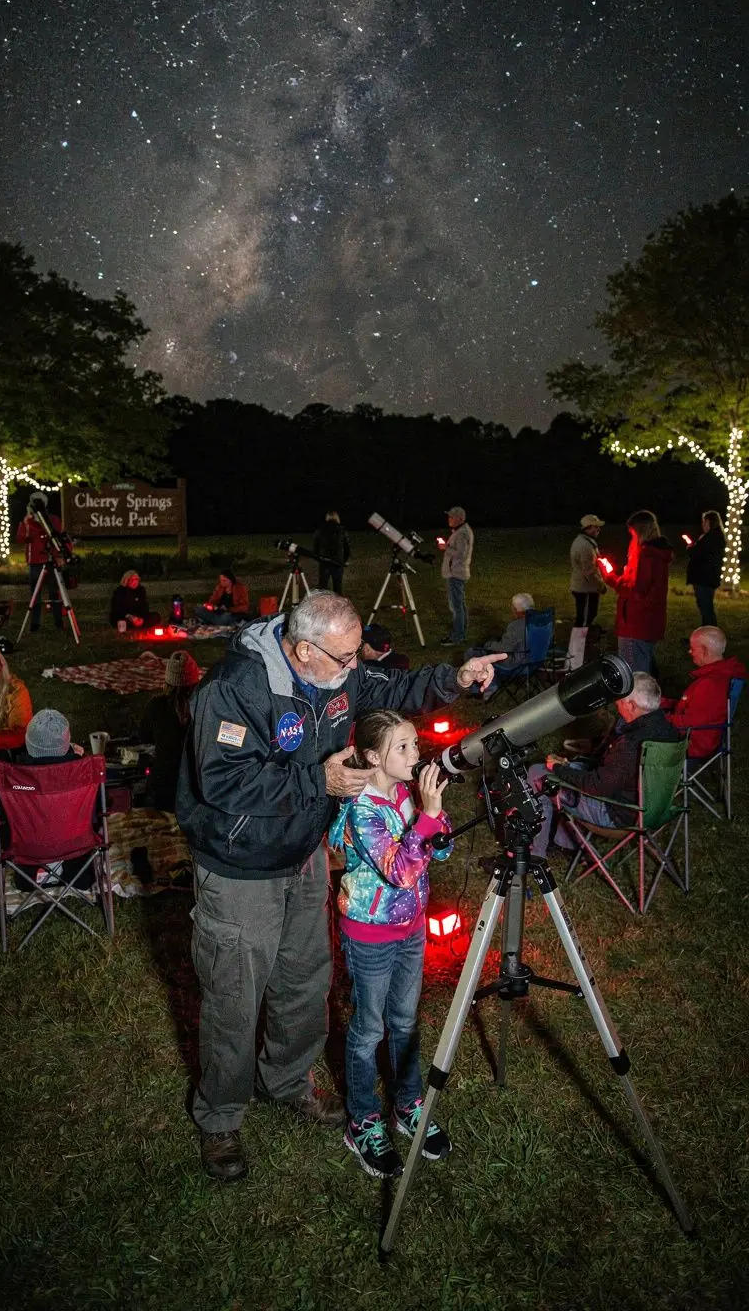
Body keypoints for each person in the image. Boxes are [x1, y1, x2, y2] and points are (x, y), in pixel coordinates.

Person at [176, 589, 505, 1183]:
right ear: (304, 649)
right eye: (345, 658)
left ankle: (286, 1081)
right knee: (234, 993)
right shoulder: (232, 689)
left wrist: (452, 679)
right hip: (240, 865)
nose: (356, 668)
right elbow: (222, 784)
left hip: (303, 855)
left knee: (305, 978)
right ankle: (221, 1115)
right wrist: (316, 780)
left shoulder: (336, 667)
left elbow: (386, 688)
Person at [329, 710, 453, 1178]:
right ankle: (362, 1120)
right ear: (375, 757)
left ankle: (408, 1104)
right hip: (372, 936)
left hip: (411, 929)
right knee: (369, 1030)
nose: (416, 754)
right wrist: (430, 821)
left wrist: (435, 823)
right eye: (403, 747)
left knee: (405, 1021)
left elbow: (438, 850)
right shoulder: (363, 809)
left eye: (415, 745)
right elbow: (399, 870)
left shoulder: (405, 794)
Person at [527, 672, 679, 858]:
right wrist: (569, 765)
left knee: (537, 775)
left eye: (620, 701)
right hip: (653, 810)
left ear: (631, 705)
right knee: (573, 768)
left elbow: (596, 786)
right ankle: (564, 842)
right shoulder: (669, 731)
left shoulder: (632, 743)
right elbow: (613, 772)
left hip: (614, 814)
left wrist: (558, 769)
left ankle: (536, 853)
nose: (616, 705)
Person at [14, 709, 94, 890]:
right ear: (66, 744)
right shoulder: (82, 772)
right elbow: (98, 807)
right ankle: (77, 877)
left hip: (28, 845)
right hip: (74, 843)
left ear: (28, 743)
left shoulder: (14, 777)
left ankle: (28, 879)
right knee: (83, 822)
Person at [599, 510, 673, 673]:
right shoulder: (656, 555)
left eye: (632, 534)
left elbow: (636, 591)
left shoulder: (647, 556)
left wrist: (611, 578)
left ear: (640, 532)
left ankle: (638, 698)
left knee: (633, 673)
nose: (631, 540)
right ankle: (647, 694)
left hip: (636, 623)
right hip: (647, 621)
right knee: (642, 665)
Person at [662, 626, 746, 763]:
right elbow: (695, 709)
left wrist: (662, 718)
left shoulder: (710, 684)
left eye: (693, 648)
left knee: (637, 729)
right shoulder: (719, 675)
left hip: (692, 743)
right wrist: (663, 703)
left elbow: (690, 721)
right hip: (697, 736)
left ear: (705, 651)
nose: (690, 652)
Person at [139, 651, 202, 810]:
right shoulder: (205, 706)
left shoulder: (156, 706)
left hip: (163, 788)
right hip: (198, 788)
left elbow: (143, 737)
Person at [15, 492, 68, 633]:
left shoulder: (53, 520)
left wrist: (59, 556)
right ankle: (35, 623)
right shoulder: (28, 522)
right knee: (35, 595)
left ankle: (58, 622)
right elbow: (21, 538)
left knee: (54, 594)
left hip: (50, 560)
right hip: (35, 562)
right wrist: (26, 523)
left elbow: (56, 537)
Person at [467, 593, 535, 693]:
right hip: (536, 662)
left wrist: (489, 644)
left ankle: (489, 685)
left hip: (516, 665)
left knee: (472, 653)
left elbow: (503, 650)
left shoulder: (516, 626)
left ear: (516, 610)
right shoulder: (543, 622)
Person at [440, 505, 474, 647]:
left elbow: (461, 553)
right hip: (456, 572)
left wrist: (445, 548)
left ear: (459, 519)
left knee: (457, 607)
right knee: (460, 605)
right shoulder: (460, 531)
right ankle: (461, 633)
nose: (449, 519)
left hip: (456, 574)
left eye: (451, 517)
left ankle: (457, 636)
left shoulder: (462, 533)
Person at [685, 511, 726, 626]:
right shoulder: (717, 537)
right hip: (709, 577)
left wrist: (691, 548)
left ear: (709, 522)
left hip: (703, 577)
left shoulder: (709, 538)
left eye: (704, 521)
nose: (703, 524)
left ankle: (710, 634)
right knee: (707, 606)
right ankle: (708, 632)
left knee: (705, 607)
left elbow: (698, 554)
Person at [569, 515, 607, 627]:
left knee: (587, 617)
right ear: (587, 528)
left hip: (586, 587)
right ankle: (578, 643)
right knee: (583, 620)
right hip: (585, 589)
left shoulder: (586, 542)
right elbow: (589, 572)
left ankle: (587, 639)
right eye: (596, 527)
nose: (598, 529)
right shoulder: (585, 546)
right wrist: (601, 586)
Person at [313, 511, 350, 593]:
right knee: (337, 587)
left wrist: (320, 559)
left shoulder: (319, 531)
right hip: (337, 562)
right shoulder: (342, 531)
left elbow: (315, 550)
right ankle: (338, 604)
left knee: (323, 587)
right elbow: (347, 549)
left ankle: (323, 604)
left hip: (324, 562)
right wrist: (344, 561)